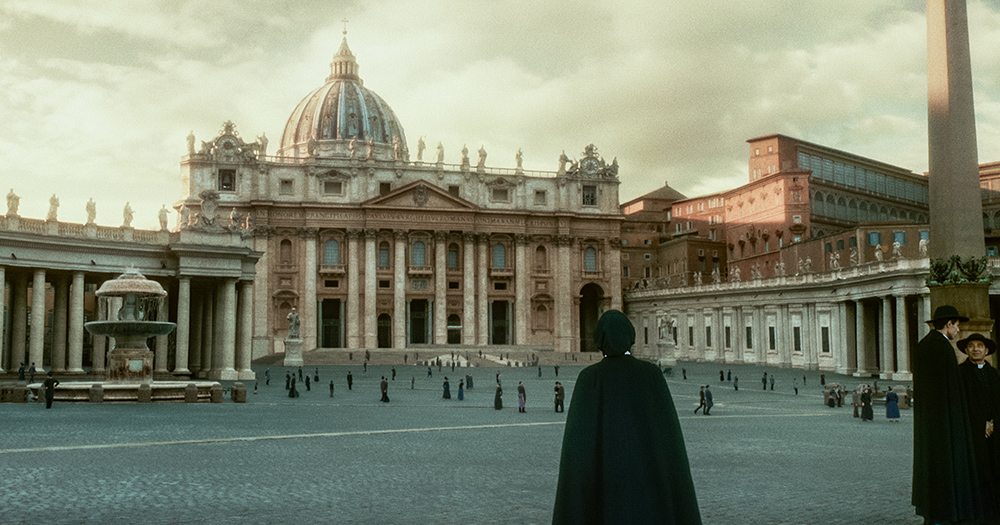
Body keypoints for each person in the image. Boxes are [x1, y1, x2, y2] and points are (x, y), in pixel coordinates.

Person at [552, 310, 701, 524]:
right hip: (649, 483)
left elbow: (577, 449)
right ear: (631, 337)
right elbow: (670, 443)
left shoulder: (589, 378)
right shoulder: (652, 375)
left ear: (599, 339)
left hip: (604, 483)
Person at [912, 305, 983, 524]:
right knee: (946, 466)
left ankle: (933, 512)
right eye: (957, 325)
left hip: (931, 420)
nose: (959, 330)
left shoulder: (926, 344)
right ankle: (944, 513)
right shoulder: (941, 347)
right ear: (949, 324)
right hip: (944, 421)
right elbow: (949, 390)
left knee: (931, 466)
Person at [957, 332, 1000, 520]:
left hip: (995, 434)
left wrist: (993, 422)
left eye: (980, 345)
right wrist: (979, 423)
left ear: (987, 350)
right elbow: (961, 404)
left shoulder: (995, 375)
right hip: (971, 434)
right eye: (971, 346)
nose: (976, 349)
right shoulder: (959, 374)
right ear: (966, 350)